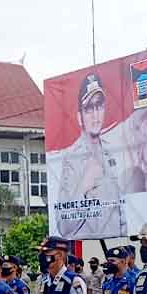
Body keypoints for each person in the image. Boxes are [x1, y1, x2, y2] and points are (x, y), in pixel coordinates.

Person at [54, 74, 128, 238]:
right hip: (87, 250)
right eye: (89, 108)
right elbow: (64, 226)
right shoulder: (72, 159)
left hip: (116, 249)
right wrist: (84, 185)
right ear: (80, 116)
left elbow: (121, 211)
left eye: (99, 106)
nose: (95, 115)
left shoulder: (112, 152)